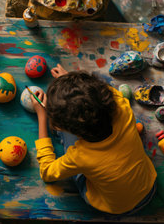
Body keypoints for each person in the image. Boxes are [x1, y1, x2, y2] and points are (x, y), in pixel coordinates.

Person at [30, 64, 157, 215]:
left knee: (68, 141)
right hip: (150, 185)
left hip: (117, 207)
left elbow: (47, 172)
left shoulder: (79, 156)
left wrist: (42, 116)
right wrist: (72, 84)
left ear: (77, 130)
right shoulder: (122, 104)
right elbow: (98, 91)